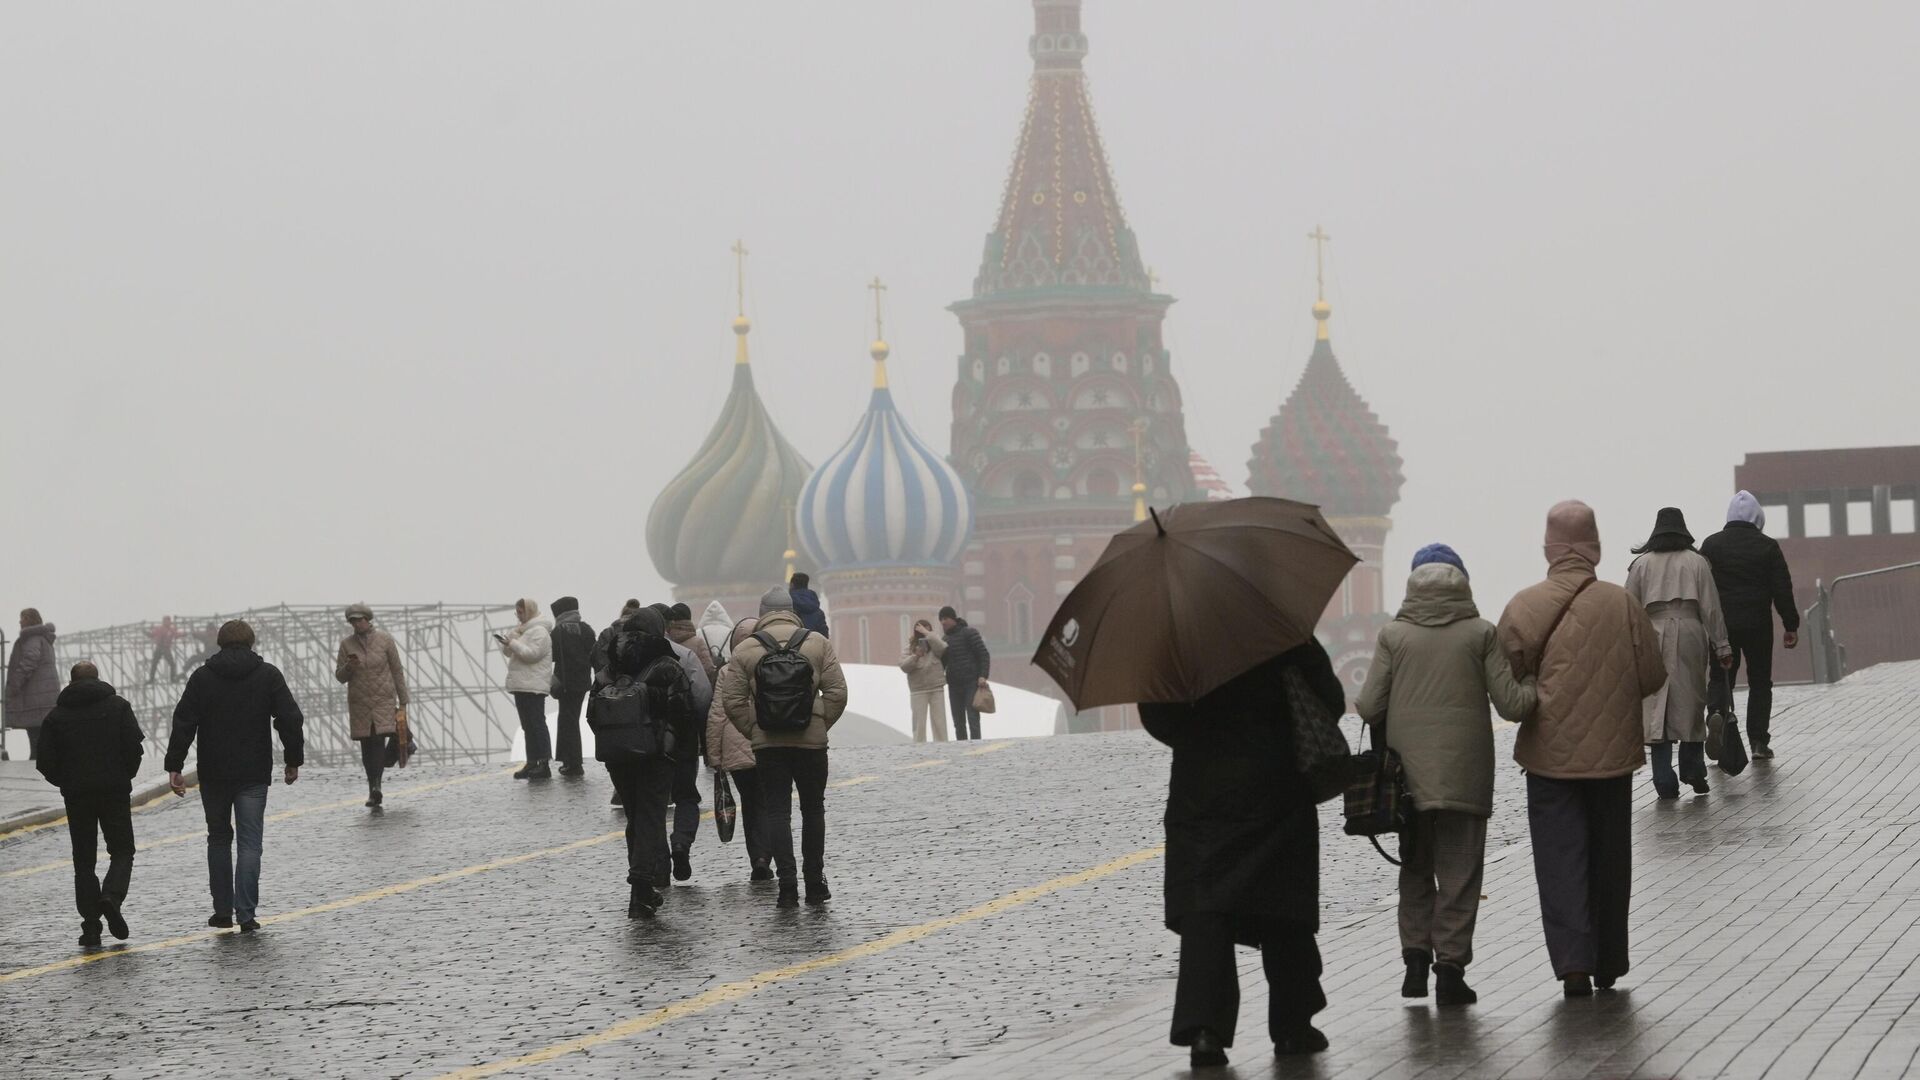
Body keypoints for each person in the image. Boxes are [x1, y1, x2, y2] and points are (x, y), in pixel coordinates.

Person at [1139, 640, 1342, 1066]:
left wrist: (1199, 734)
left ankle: (1206, 1032)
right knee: (1284, 906)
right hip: (1276, 780)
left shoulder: (1178, 642)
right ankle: (1293, 1027)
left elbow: (1157, 716)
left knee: (1206, 912)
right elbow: (1330, 700)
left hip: (1203, 791)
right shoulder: (1279, 628)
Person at [1497, 500, 1666, 997]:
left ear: (1549, 546)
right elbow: (1654, 675)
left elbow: (1507, 684)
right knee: (1610, 860)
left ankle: (1573, 963)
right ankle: (1609, 960)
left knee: (1559, 861)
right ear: (1595, 545)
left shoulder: (1523, 607)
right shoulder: (1621, 604)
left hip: (1548, 760)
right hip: (1613, 761)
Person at [1356, 545, 1536, 1007]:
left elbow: (1369, 706)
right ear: (1464, 582)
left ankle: (1415, 960)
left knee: (1416, 866)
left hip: (1407, 782)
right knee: (1459, 872)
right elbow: (1512, 705)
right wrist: (1536, 687)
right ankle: (1450, 969)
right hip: (1465, 775)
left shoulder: (1393, 636)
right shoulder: (1481, 634)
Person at [166, 620, 305, 933]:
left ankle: (221, 911)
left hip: (214, 772)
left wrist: (174, 765)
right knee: (249, 842)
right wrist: (293, 759)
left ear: (219, 642)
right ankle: (246, 914)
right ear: (252, 642)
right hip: (253, 773)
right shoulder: (268, 675)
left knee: (217, 838)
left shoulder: (202, 677)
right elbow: (290, 718)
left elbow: (184, 722)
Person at [721, 585, 848, 908]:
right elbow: (837, 693)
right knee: (813, 809)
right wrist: (817, 723)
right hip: (812, 745)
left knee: (777, 811)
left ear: (762, 613)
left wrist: (755, 730)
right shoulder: (817, 643)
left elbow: (732, 700)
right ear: (792, 611)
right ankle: (815, 882)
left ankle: (787, 886)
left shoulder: (747, 648)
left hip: (768, 746)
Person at [591, 606, 695, 919]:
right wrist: (674, 746)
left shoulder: (609, 668)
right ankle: (640, 887)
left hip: (618, 756)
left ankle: (644, 885)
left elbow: (592, 713)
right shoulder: (666, 665)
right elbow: (684, 713)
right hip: (655, 756)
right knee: (651, 817)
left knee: (636, 818)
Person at [36, 662, 145, 947]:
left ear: (71, 682)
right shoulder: (118, 707)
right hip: (115, 790)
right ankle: (111, 896)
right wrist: (125, 775)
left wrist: (65, 782)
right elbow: (135, 747)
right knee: (122, 850)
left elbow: (45, 762)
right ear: (98, 679)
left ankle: (91, 926)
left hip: (77, 795)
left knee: (84, 860)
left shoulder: (56, 717)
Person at [1626, 508, 1732, 799]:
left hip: (1652, 631)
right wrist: (1722, 645)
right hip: (1690, 629)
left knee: (1656, 704)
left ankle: (1663, 777)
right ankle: (1692, 767)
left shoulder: (1640, 565)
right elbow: (1711, 607)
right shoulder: (1697, 562)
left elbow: (1630, 609)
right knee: (1691, 699)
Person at [1700, 491, 1799, 760]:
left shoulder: (1711, 545)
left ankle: (1717, 715)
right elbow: (1782, 587)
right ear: (1758, 517)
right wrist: (1790, 624)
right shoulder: (1767, 546)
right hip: (1758, 624)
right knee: (1759, 682)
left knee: (1721, 677)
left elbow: (1701, 585)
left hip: (1722, 625)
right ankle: (1758, 742)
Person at [706, 614, 775, 881]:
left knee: (751, 803)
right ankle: (773, 855)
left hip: (736, 749)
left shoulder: (727, 671)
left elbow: (718, 715)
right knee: (772, 804)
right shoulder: (774, 664)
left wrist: (714, 755)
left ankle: (758, 857)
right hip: (770, 744)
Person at [650, 603, 714, 883]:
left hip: (646, 740)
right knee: (686, 795)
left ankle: (659, 866)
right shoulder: (684, 654)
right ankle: (681, 842)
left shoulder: (627, 656)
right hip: (682, 737)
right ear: (668, 626)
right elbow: (702, 696)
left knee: (651, 803)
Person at [335, 604, 409, 808]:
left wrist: (403, 701)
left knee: (382, 739)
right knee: (368, 747)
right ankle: (374, 788)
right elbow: (340, 676)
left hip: (383, 699)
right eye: (353, 621)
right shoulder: (346, 644)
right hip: (360, 703)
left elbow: (397, 670)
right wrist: (349, 667)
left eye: (360, 619)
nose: (357, 624)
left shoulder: (385, 640)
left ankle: (379, 782)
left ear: (368, 619)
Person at [593, 599, 644, 807]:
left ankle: (620, 790)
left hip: (612, 696)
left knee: (618, 742)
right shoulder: (642, 633)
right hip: (637, 695)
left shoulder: (608, 633)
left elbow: (596, 659)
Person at [500, 598, 556, 780]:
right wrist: (511, 639)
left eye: (521, 612)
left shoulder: (540, 632)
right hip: (521, 685)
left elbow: (532, 655)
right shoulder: (523, 631)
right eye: (517, 612)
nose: (519, 616)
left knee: (537, 724)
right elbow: (508, 652)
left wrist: (514, 643)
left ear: (529, 611)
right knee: (527, 726)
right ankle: (532, 762)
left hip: (534, 685)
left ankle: (543, 763)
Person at [548, 596, 596, 778]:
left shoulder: (558, 632)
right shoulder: (586, 629)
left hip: (564, 683)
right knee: (571, 720)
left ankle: (573, 763)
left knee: (567, 722)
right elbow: (593, 653)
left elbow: (551, 655)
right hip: (582, 683)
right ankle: (570, 761)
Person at [6, 608, 59, 759]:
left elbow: (30, 660)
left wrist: (15, 683)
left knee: (35, 733)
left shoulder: (32, 638)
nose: (20, 621)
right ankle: (41, 762)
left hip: (34, 695)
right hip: (44, 693)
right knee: (39, 733)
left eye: (22, 618)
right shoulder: (44, 639)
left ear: (30, 620)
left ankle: (37, 765)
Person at [933, 606, 991, 740]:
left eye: (945, 618)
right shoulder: (944, 640)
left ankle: (976, 747)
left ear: (953, 618)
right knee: (958, 721)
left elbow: (983, 655)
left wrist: (983, 675)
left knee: (973, 718)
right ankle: (962, 748)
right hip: (954, 684)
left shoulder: (969, 633)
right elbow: (941, 664)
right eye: (941, 619)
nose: (943, 622)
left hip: (971, 682)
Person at [900, 620, 948, 743]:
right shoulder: (909, 648)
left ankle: (942, 744)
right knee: (919, 722)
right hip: (918, 689)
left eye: (926, 630)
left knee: (939, 721)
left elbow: (943, 647)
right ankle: (919, 744)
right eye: (920, 632)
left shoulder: (935, 645)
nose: (923, 635)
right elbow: (903, 666)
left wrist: (928, 634)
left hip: (936, 686)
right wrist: (915, 656)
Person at [147, 616, 184, 683]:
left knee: (172, 664)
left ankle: (172, 679)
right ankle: (151, 679)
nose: (168, 622)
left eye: (168, 621)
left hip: (166, 648)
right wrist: (146, 633)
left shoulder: (171, 629)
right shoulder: (160, 629)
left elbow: (177, 635)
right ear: (164, 622)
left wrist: (184, 634)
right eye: (166, 621)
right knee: (154, 663)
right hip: (160, 648)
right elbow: (152, 634)